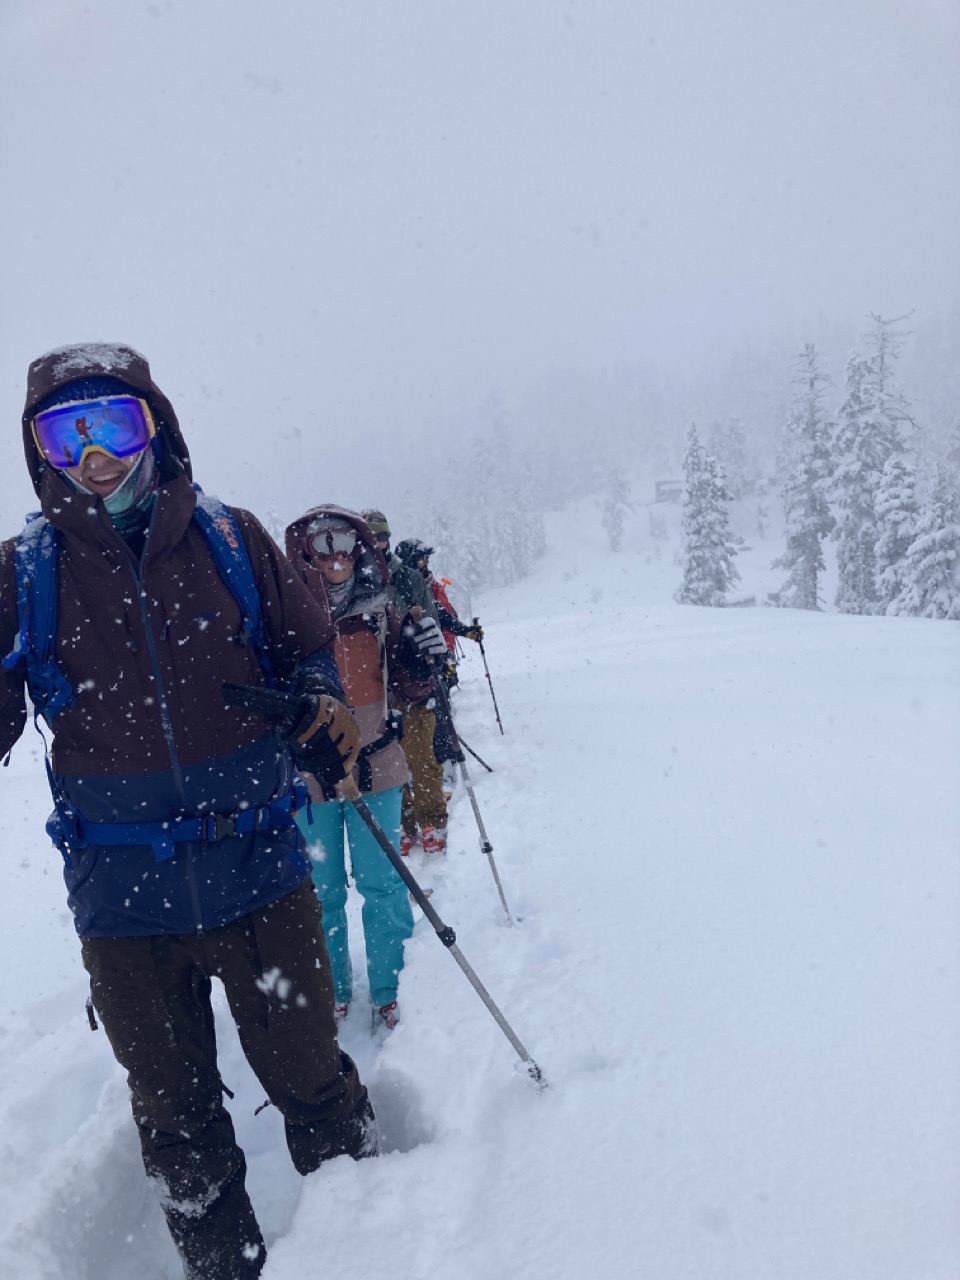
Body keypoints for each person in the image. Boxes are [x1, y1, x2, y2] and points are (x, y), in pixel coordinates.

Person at [0, 344, 375, 1280]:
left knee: (313, 1083)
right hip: (125, 911)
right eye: (66, 432)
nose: (94, 455)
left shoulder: (233, 540)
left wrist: (321, 703)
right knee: (177, 1126)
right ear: (38, 449)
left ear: (155, 426)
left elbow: (308, 652)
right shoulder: (23, 574)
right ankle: (222, 1268)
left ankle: (370, 1244)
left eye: (113, 425)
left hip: (260, 880)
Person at [283, 506, 442, 1029]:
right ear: (304, 551)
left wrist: (423, 664)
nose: (334, 555)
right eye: (321, 543)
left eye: (344, 541)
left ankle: (391, 988)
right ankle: (330, 989)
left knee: (383, 885)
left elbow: (410, 688)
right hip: (310, 776)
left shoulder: (384, 612)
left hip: (378, 766)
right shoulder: (287, 615)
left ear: (361, 547)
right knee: (319, 893)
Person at [360, 513, 448, 855]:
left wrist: (426, 655)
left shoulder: (407, 578)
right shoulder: (359, 582)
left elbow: (432, 625)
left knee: (421, 758)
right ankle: (406, 823)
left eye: (379, 538)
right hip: (374, 694)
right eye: (368, 538)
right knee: (389, 764)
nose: (375, 545)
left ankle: (431, 820)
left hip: (412, 686)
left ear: (388, 538)